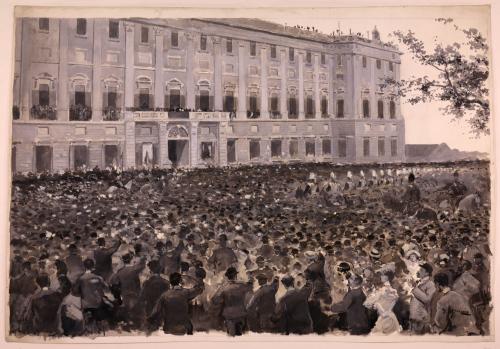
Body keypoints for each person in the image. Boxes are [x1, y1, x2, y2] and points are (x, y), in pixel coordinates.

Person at [148, 270, 205, 335]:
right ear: (180, 282)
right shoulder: (186, 293)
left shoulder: (164, 295)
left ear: (170, 283)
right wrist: (197, 279)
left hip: (168, 328)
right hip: (184, 328)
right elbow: (199, 289)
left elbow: (155, 313)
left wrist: (149, 321)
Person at [211, 267, 253, 336]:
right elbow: (250, 287)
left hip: (229, 315)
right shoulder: (241, 285)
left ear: (227, 277)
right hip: (241, 314)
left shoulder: (223, 287)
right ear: (235, 276)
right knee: (240, 335)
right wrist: (250, 278)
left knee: (231, 337)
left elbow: (215, 300)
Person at [109, 253, 146, 328]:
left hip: (125, 295)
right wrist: (142, 257)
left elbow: (112, 281)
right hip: (135, 295)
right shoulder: (134, 269)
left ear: (123, 261)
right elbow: (143, 265)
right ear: (131, 260)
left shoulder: (120, 271)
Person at [363, 270, 401, 334]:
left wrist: (376, 304)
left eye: (383, 275)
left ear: (386, 277)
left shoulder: (384, 290)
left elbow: (368, 302)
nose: (381, 276)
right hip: (389, 315)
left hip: (384, 316)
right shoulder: (391, 290)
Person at [409, 263, 436, 334]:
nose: (419, 271)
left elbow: (427, 299)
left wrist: (415, 288)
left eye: (421, 270)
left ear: (427, 273)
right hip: (415, 317)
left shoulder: (430, 284)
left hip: (422, 318)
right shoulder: (420, 282)